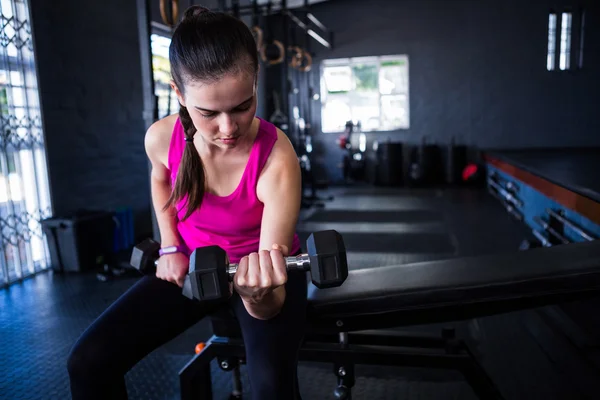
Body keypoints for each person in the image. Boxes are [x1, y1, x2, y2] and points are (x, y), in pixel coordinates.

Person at [66, 6, 307, 400]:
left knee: (272, 390)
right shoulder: (161, 137)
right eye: (209, 113)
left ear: (256, 81)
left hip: (262, 272)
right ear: (179, 93)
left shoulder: (278, 160)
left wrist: (257, 296)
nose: (228, 129)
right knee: (88, 361)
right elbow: (161, 178)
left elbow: (271, 295)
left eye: (243, 106)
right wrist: (171, 245)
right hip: (195, 265)